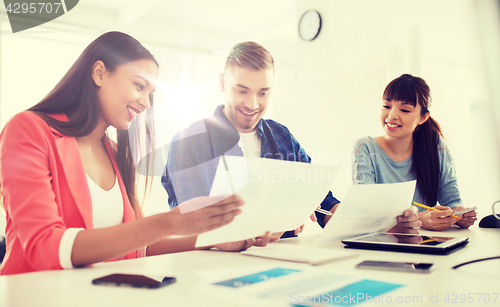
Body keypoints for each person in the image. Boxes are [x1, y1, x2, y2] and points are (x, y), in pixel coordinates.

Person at [0, 32, 256, 276]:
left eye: (150, 94)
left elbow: (136, 249)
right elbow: (43, 246)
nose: (146, 102)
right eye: (138, 86)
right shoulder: (27, 130)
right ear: (99, 73)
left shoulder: (113, 152)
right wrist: (167, 222)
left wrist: (212, 239)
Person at [162, 42, 419, 239]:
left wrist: (382, 223)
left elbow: (323, 202)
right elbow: (185, 225)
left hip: (280, 263)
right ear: (222, 83)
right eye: (242, 91)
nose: (253, 104)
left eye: (263, 93)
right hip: (211, 269)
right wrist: (269, 221)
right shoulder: (188, 142)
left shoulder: (282, 136)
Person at [352, 74, 476, 231]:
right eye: (387, 106)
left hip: (430, 242)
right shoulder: (365, 148)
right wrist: (420, 219)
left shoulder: (435, 145)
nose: (391, 115)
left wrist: (458, 214)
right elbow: (367, 213)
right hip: (384, 243)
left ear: (423, 117)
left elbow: (451, 199)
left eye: (404, 110)